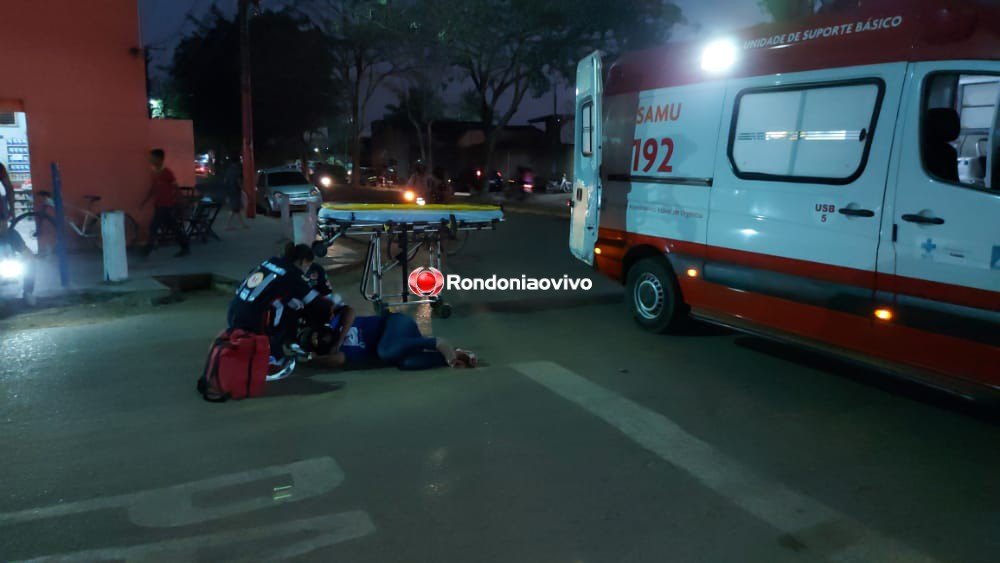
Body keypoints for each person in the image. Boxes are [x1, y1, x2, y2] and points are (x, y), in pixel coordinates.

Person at [227, 243, 328, 369]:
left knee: (285, 302)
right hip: (252, 320)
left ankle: (269, 348)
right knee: (288, 309)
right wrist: (333, 306)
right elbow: (314, 300)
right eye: (308, 265)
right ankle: (274, 355)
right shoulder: (293, 274)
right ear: (303, 261)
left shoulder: (272, 261)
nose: (307, 269)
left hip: (234, 310)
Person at [310, 312, 476, 371]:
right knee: (407, 363)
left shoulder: (337, 323)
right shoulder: (339, 354)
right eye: (318, 342)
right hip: (397, 346)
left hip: (396, 324)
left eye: (319, 335)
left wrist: (339, 340)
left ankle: (433, 342)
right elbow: (338, 360)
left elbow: (349, 312)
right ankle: (454, 355)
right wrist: (314, 358)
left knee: (385, 351)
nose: (321, 339)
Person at [142, 148, 190, 257]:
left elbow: (175, 187)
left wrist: (181, 201)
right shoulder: (154, 172)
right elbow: (153, 188)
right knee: (173, 227)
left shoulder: (167, 172)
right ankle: (185, 246)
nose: (150, 160)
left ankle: (147, 249)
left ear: (160, 159)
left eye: (152, 158)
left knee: (154, 226)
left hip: (166, 205)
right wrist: (145, 201)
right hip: (159, 204)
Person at [0, 213, 36, 306]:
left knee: (29, 264)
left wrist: (28, 257)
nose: (3, 226)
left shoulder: (12, 234)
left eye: (4, 223)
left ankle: (28, 292)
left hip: (9, 265)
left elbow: (25, 250)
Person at [223, 160, 248, 230]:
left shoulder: (228, 171)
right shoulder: (237, 171)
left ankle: (243, 224)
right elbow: (238, 181)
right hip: (236, 190)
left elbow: (225, 181)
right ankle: (227, 225)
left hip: (230, 191)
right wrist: (242, 188)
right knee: (234, 208)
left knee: (237, 209)